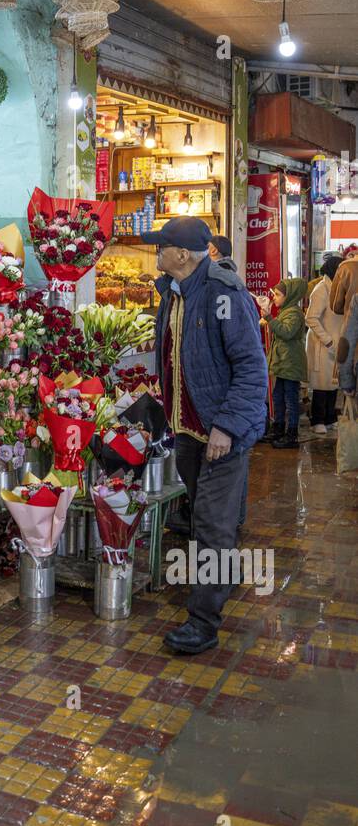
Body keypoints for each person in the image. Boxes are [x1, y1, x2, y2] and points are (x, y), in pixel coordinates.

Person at [139, 217, 269, 655]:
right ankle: (222, 577)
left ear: (183, 254)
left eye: (162, 246)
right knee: (205, 521)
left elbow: (251, 367)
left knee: (212, 527)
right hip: (188, 430)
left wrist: (227, 427)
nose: (156, 252)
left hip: (220, 431)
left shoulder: (223, 293)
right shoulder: (172, 293)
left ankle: (203, 623)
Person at [258, 278, 308, 449]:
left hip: (290, 364)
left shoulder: (294, 313)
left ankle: (291, 434)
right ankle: (278, 428)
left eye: (278, 295)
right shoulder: (286, 311)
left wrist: (270, 319)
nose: (275, 298)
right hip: (283, 363)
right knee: (278, 396)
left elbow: (287, 333)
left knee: (291, 399)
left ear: (290, 296)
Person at [304, 255, 344, 434]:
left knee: (334, 383)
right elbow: (311, 318)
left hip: (335, 343)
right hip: (322, 344)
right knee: (321, 385)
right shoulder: (321, 290)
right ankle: (318, 420)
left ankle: (330, 417)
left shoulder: (339, 288)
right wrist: (327, 339)